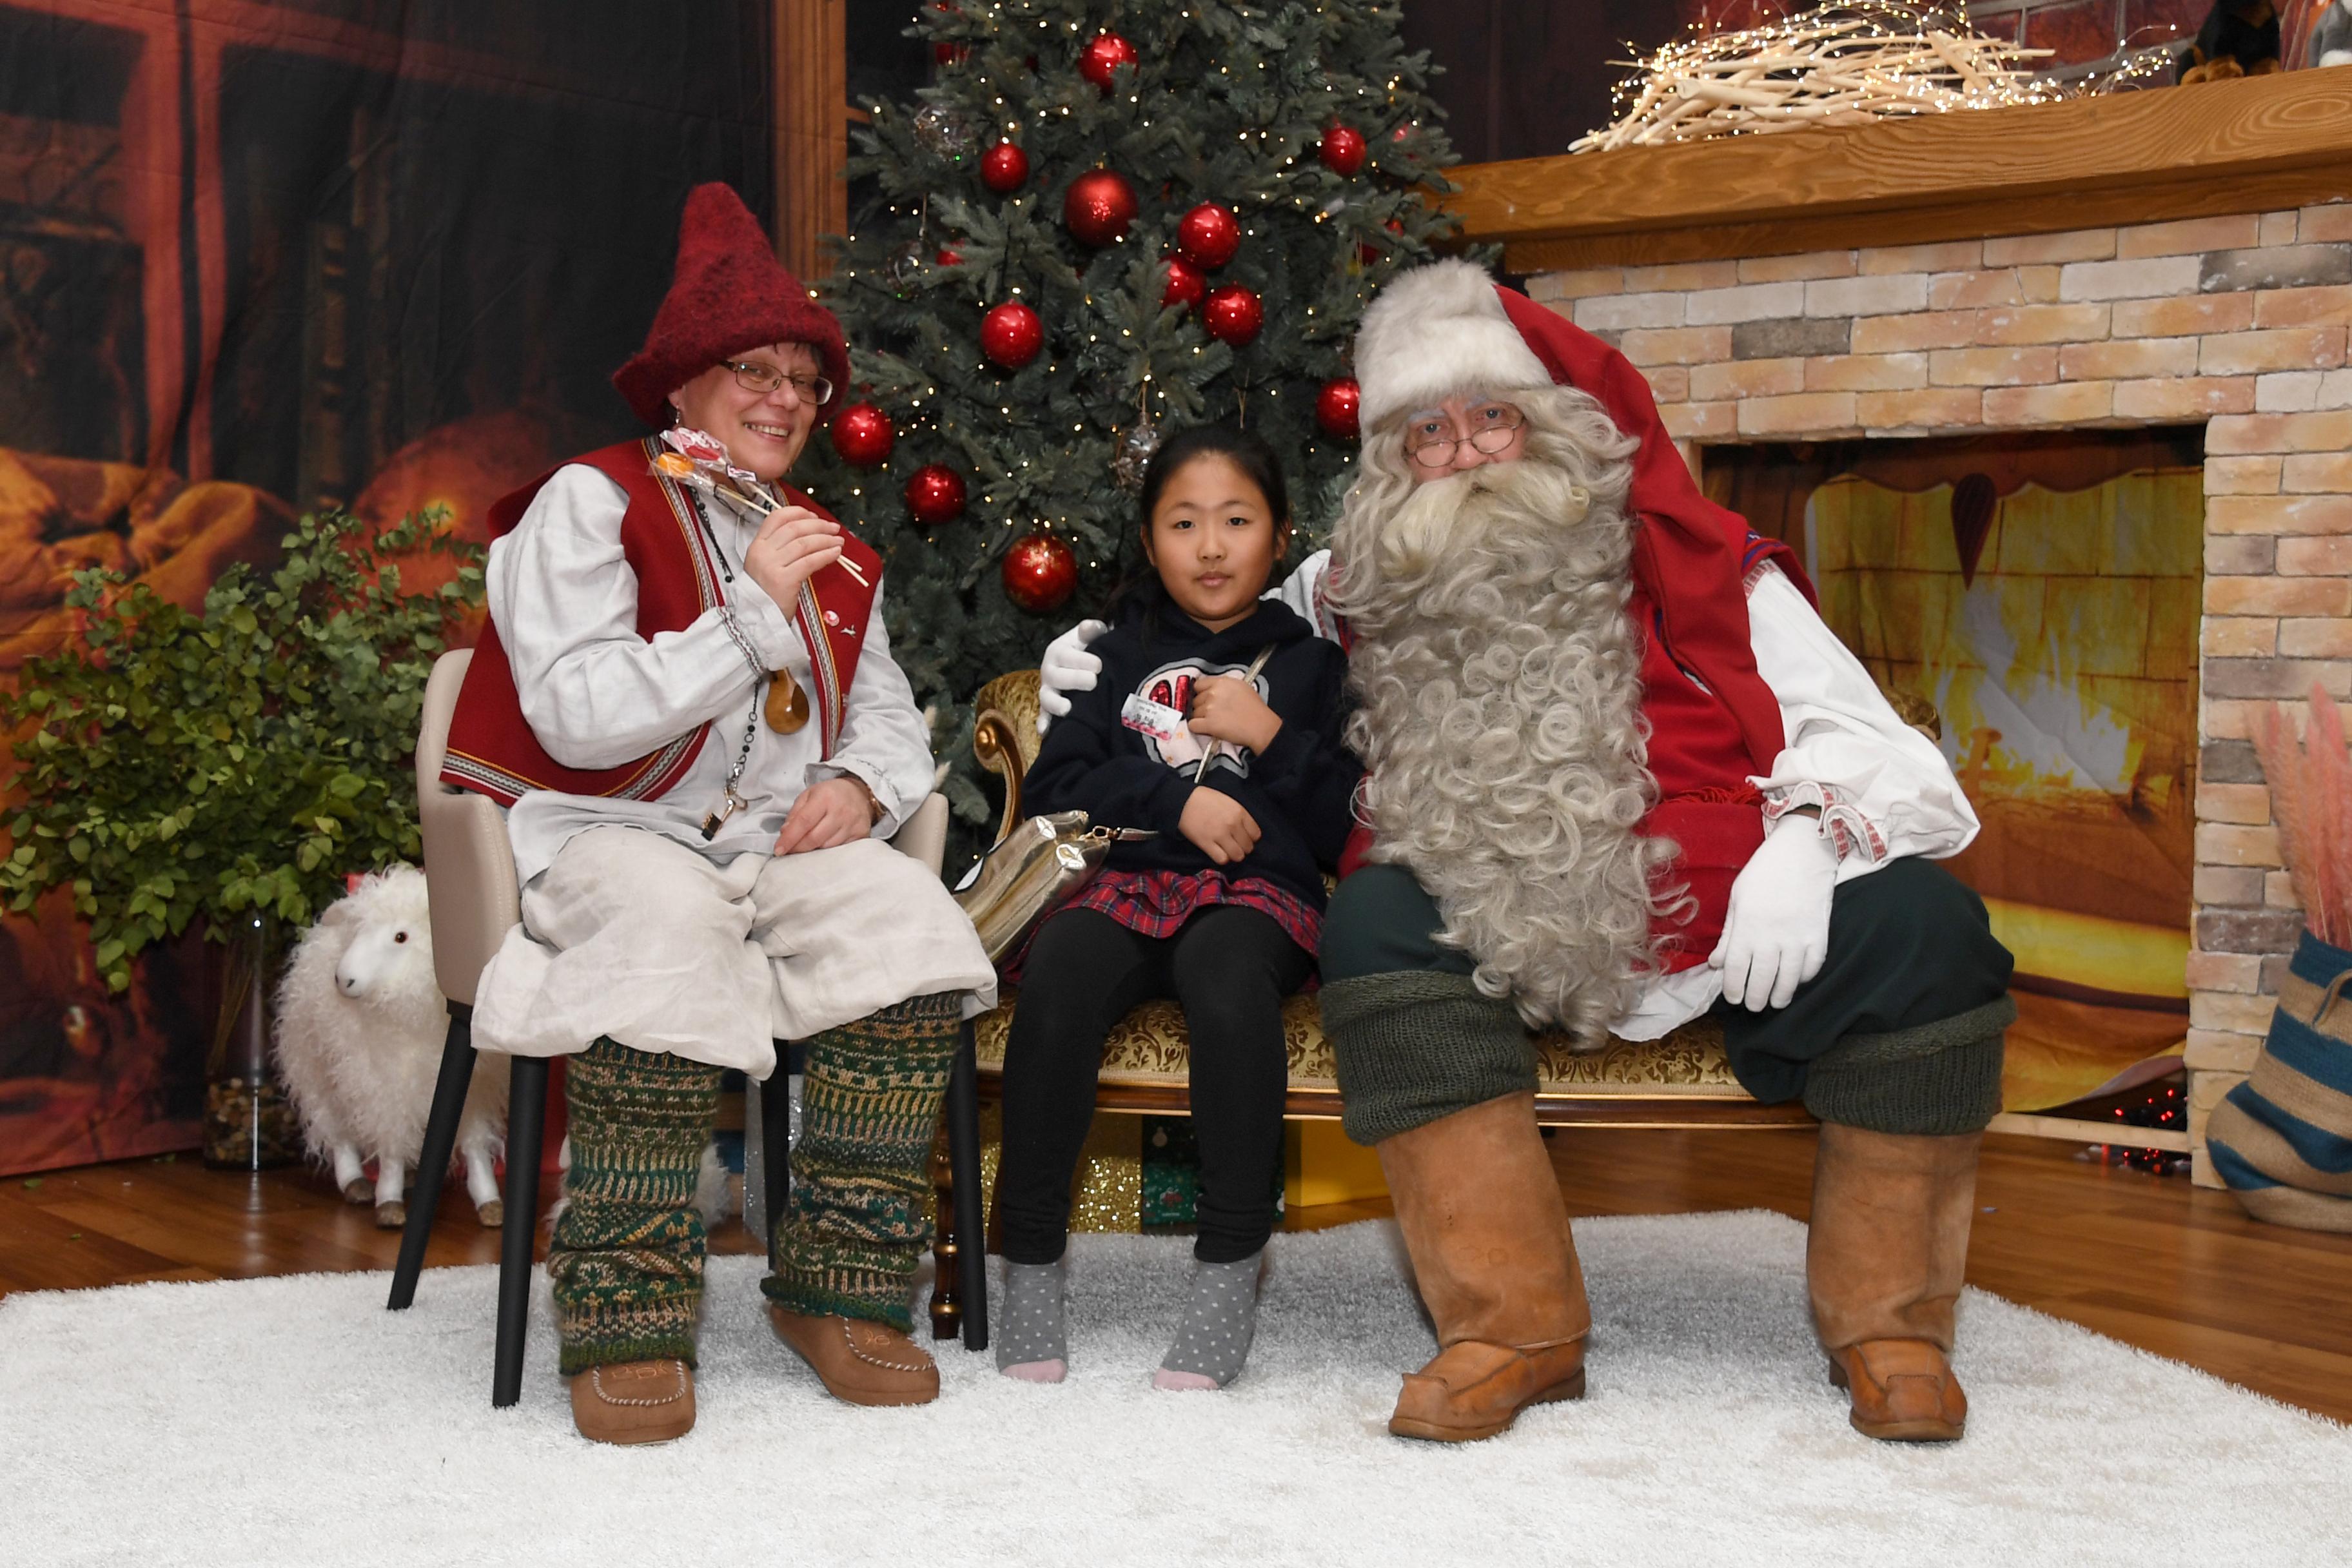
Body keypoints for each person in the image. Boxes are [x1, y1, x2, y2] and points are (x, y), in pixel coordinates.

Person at [1037, 259, 2010, 1446]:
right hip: (1482, 917)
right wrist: (1086, 667)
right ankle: (1511, 1326)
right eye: (1428, 434)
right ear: (1394, 469)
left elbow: (1893, 757)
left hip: (1714, 911)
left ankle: (1891, 1328)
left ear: (1554, 430)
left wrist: (1806, 847)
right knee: (1379, 922)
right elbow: (1203, 605)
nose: (1464, 454)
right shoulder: (1355, 587)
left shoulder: (1706, 569)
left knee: (1929, 932)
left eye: (1491, 417)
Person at [440, 183, 995, 1444]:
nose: (785, 397)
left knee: (907, 922)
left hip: (770, 853)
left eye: (805, 378)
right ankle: (625, 1313)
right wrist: (745, 618)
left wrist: (860, 785)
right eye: (753, 368)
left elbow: (889, 716)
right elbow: (577, 711)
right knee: (661, 923)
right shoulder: (587, 502)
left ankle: (840, 1289)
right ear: (683, 383)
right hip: (605, 838)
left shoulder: (833, 552)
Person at [993, 426, 1360, 1391]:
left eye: (1236, 521)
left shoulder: (1313, 667)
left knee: (1227, 981)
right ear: (1150, 541)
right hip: (1119, 882)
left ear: (1279, 538)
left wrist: (1270, 736)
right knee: (1063, 981)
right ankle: (1028, 1266)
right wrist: (1175, 800)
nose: (1210, 546)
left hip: (1254, 897)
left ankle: (1229, 1271)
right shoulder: (1110, 657)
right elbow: (1055, 791)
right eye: (1184, 522)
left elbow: (1338, 825)